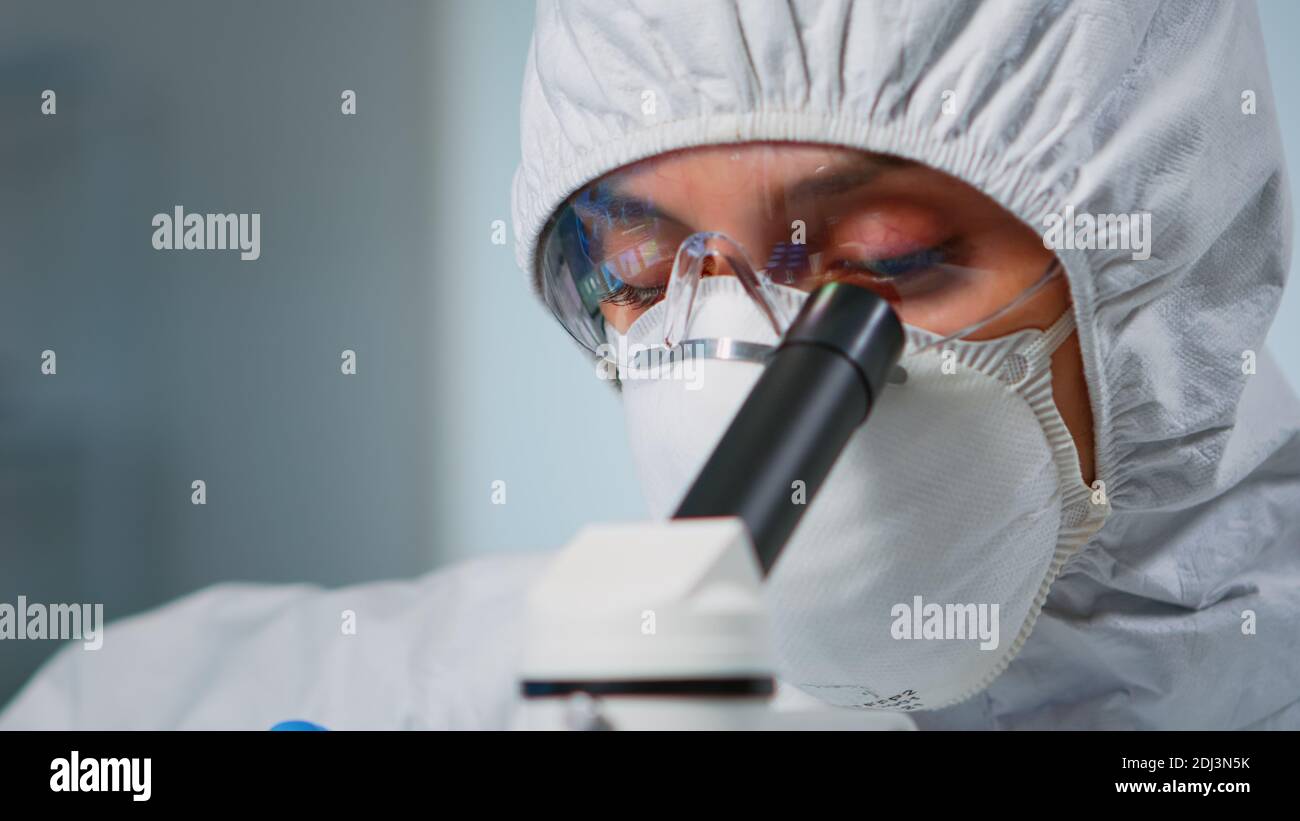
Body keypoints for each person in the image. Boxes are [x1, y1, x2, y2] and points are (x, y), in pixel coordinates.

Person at [4, 0, 1299, 730]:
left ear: (1157, 277)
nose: (737, 372)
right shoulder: (341, 692)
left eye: (886, 258)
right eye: (639, 271)